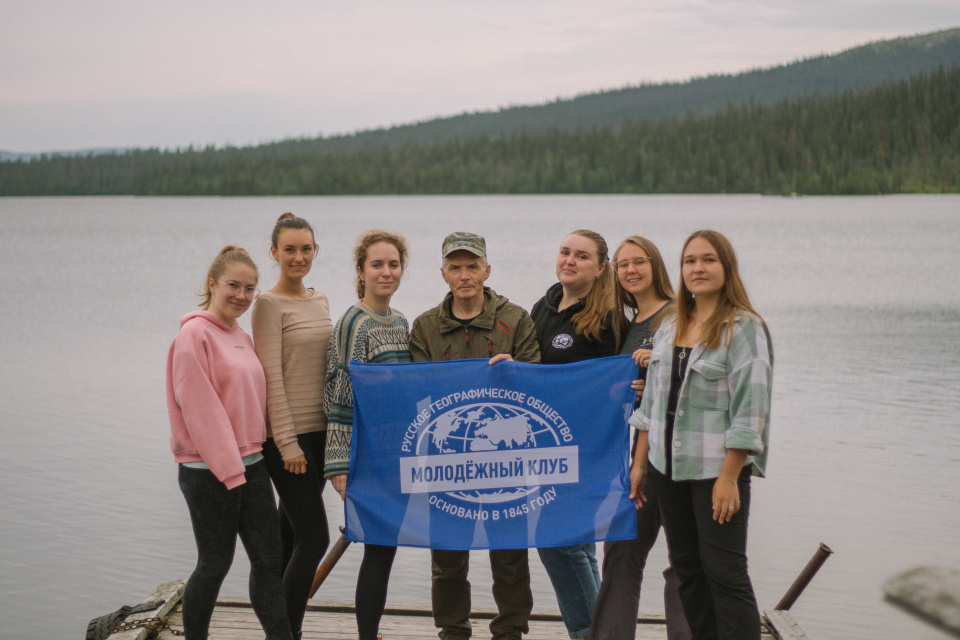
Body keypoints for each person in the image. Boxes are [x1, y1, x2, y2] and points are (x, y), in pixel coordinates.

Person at [629, 230, 773, 640]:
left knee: (725, 575)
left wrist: (730, 477)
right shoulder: (671, 324)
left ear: (726, 268)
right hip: (666, 469)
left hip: (716, 472)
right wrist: (640, 463)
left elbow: (751, 410)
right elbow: (651, 406)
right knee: (688, 570)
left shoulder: (744, 328)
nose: (698, 268)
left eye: (708, 260)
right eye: (690, 261)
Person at [409, 231, 540, 640]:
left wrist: (516, 371)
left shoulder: (516, 319)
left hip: (504, 456)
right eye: (455, 267)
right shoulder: (425, 327)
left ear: (487, 269)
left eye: (472, 266)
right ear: (444, 274)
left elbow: (538, 388)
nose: (464, 275)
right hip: (448, 458)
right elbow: (415, 395)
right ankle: (452, 628)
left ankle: (511, 628)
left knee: (510, 554)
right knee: (447, 554)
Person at [166, 245, 293, 640]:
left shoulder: (239, 334)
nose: (241, 295)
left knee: (270, 563)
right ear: (212, 284)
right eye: (233, 286)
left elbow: (254, 401)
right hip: (210, 473)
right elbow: (202, 414)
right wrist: (232, 473)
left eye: (250, 288)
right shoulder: (193, 337)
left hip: (251, 465)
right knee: (215, 564)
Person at [590, 235, 689, 640]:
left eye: (639, 261)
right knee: (621, 555)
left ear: (656, 266)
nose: (630, 270)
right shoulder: (627, 325)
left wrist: (642, 460)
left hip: (673, 452)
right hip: (633, 451)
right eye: (623, 264)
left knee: (684, 559)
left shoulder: (678, 316)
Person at [528, 230, 619, 640]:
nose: (570, 260)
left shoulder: (608, 317)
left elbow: (615, 384)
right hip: (546, 448)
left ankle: (589, 633)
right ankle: (596, 631)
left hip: (586, 450)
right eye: (565, 252)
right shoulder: (541, 308)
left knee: (558, 542)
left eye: (582, 256)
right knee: (578, 548)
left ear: (601, 268)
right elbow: (531, 369)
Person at [324, 230, 412, 640]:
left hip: (396, 453)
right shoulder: (352, 323)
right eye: (377, 264)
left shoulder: (400, 321)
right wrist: (338, 465)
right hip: (364, 455)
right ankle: (366, 635)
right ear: (360, 271)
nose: (386, 272)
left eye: (393, 264)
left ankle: (369, 633)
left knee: (386, 548)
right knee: (377, 548)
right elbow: (339, 399)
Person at [251, 212, 333, 639]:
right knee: (315, 539)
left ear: (315, 251)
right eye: (290, 250)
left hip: (321, 437)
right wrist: (286, 444)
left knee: (288, 537)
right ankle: (287, 633)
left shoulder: (319, 299)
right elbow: (271, 377)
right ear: (274, 253)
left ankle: (272, 625)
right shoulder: (267, 304)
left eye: (306, 249)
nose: (298, 257)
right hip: (289, 441)